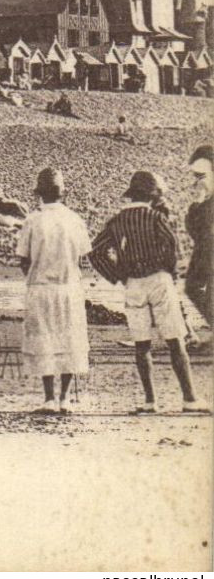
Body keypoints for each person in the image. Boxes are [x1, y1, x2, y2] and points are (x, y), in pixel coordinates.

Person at [90, 172, 208, 413]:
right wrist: (170, 270)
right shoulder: (155, 217)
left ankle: (150, 401)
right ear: (153, 196)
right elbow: (171, 245)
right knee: (175, 341)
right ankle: (189, 399)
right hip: (159, 280)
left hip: (133, 283)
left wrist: (118, 276)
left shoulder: (118, 220)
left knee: (141, 344)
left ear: (132, 194)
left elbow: (96, 251)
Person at [14, 168, 91, 412]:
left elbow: (23, 259)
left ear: (40, 194)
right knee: (70, 338)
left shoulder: (33, 220)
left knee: (44, 341)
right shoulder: (74, 219)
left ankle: (49, 398)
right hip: (69, 287)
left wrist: (35, 276)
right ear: (62, 193)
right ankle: (65, 398)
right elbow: (83, 257)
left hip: (40, 288)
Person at [186, 146, 213, 351]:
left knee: (196, 288)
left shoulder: (205, 190)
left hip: (208, 247)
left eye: (199, 175)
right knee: (197, 288)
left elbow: (195, 223)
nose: (196, 181)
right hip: (205, 246)